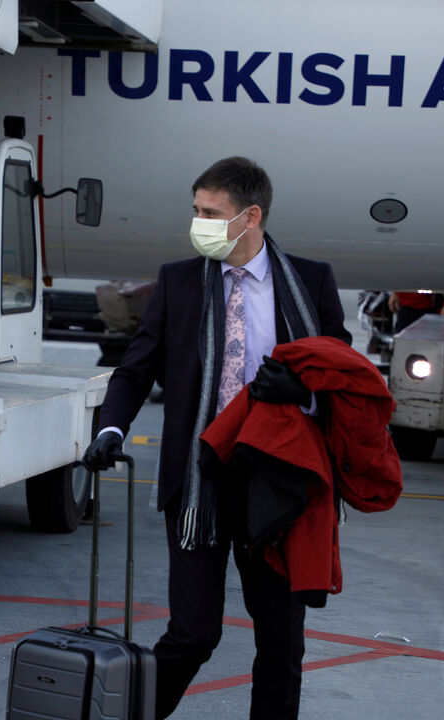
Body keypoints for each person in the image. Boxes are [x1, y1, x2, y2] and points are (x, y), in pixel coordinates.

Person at [82, 157, 351, 719]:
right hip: (199, 482)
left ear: (251, 216)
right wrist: (110, 428)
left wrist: (300, 389)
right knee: (193, 634)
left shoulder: (310, 282)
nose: (199, 221)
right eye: (196, 210)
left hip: (278, 484)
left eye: (211, 212)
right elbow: (136, 369)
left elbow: (342, 378)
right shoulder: (179, 282)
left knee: (281, 641)